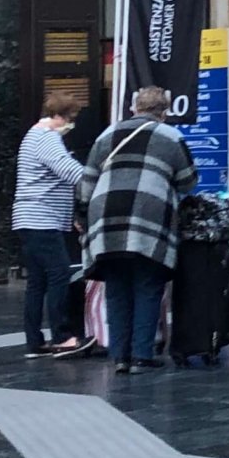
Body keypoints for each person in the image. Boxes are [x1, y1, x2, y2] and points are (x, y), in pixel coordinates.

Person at [76, 86, 198, 375]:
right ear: (165, 111)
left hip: (105, 217)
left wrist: (81, 215)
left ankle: (119, 356)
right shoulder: (171, 137)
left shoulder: (107, 135)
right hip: (149, 216)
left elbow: (87, 182)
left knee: (116, 288)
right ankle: (142, 354)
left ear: (133, 108)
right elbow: (187, 181)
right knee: (148, 285)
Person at [13, 90, 88, 356]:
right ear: (58, 116)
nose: (71, 124)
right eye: (70, 118)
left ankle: (34, 341)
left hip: (28, 218)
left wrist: (70, 217)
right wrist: (99, 177)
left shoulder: (32, 136)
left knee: (37, 282)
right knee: (59, 275)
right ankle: (62, 336)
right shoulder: (47, 138)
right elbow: (71, 172)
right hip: (41, 219)